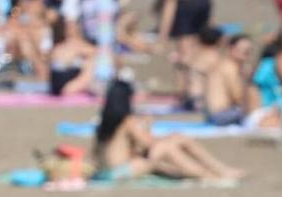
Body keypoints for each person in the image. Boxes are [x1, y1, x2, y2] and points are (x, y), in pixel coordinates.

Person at [86, 75, 242, 184]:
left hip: (108, 171)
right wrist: (148, 125)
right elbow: (149, 143)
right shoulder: (128, 121)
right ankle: (211, 173)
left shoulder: (107, 121)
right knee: (166, 147)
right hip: (120, 172)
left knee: (175, 139)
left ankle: (216, 171)